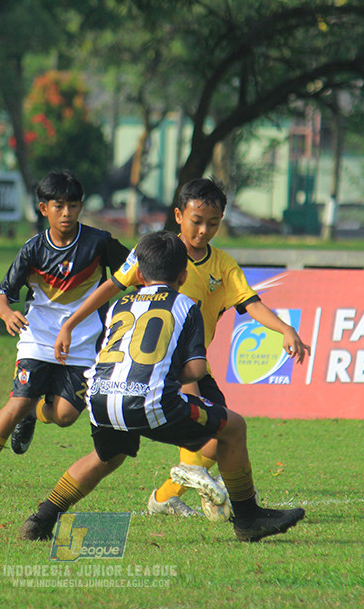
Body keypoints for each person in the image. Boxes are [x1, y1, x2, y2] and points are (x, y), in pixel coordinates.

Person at [21, 231, 305, 542]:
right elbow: (196, 368)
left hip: (101, 399)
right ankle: (249, 518)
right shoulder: (185, 305)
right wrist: (164, 380)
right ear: (184, 276)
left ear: (139, 274)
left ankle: (42, 518)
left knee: (108, 456)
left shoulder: (120, 304)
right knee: (233, 426)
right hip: (150, 401)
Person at [0, 170, 130, 488]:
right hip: (37, 337)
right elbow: (2, 294)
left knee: (64, 416)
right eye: (59, 205)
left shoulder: (98, 242)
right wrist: (7, 313)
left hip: (84, 341)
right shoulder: (33, 249)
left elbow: (133, 267)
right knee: (18, 399)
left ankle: (34, 412)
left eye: (73, 205)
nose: (66, 213)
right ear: (43, 209)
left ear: (80, 207)